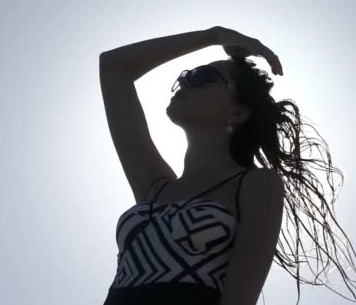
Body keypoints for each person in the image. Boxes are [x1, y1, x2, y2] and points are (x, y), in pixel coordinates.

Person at [98, 27, 356, 305]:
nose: (185, 82)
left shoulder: (256, 184)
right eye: (185, 75)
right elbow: (114, 67)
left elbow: (239, 300)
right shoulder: (154, 187)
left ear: (238, 112)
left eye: (203, 77)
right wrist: (214, 35)